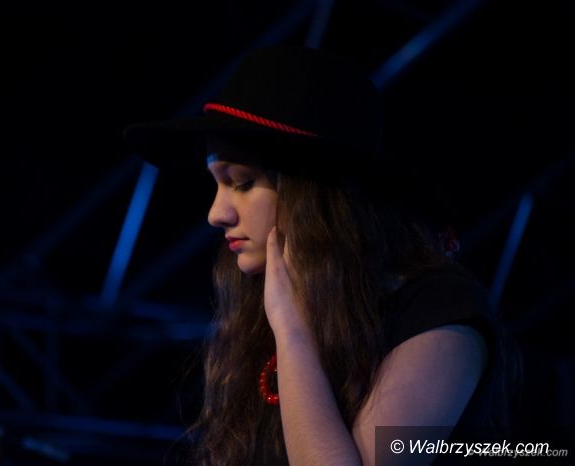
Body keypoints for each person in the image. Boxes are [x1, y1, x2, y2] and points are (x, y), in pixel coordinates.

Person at [123, 45, 516, 466]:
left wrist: (292, 331)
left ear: (313, 196)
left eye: (243, 182)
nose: (216, 214)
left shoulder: (439, 311)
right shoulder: (260, 316)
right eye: (216, 185)